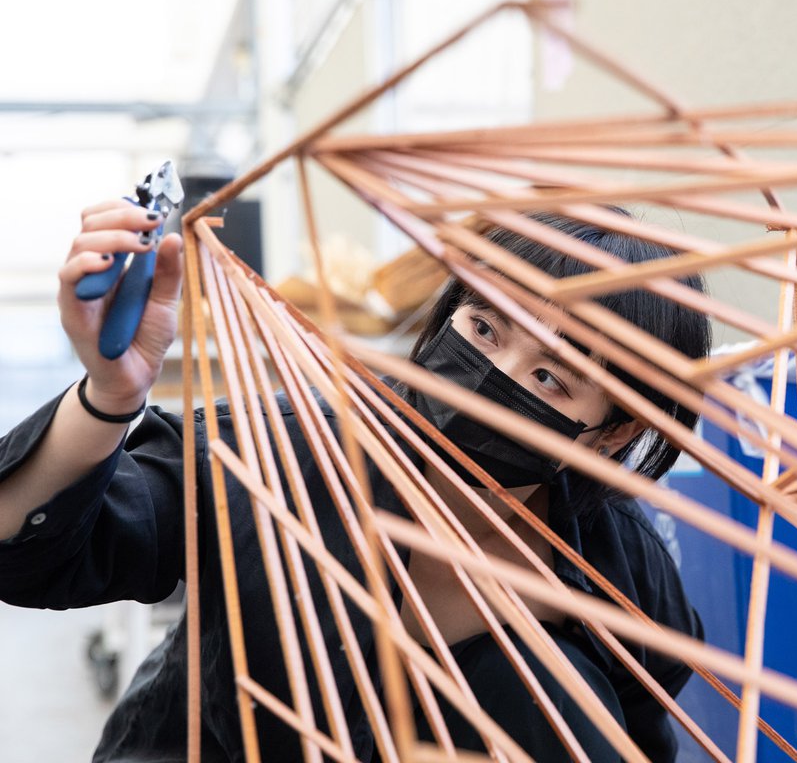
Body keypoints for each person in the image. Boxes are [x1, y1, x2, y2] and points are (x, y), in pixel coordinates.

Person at [0, 201, 709, 762]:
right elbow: (30, 550)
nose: (487, 383)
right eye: (485, 329)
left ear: (613, 431)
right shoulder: (275, 454)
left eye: (550, 378)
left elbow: (638, 743)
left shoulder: (624, 582)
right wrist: (108, 394)